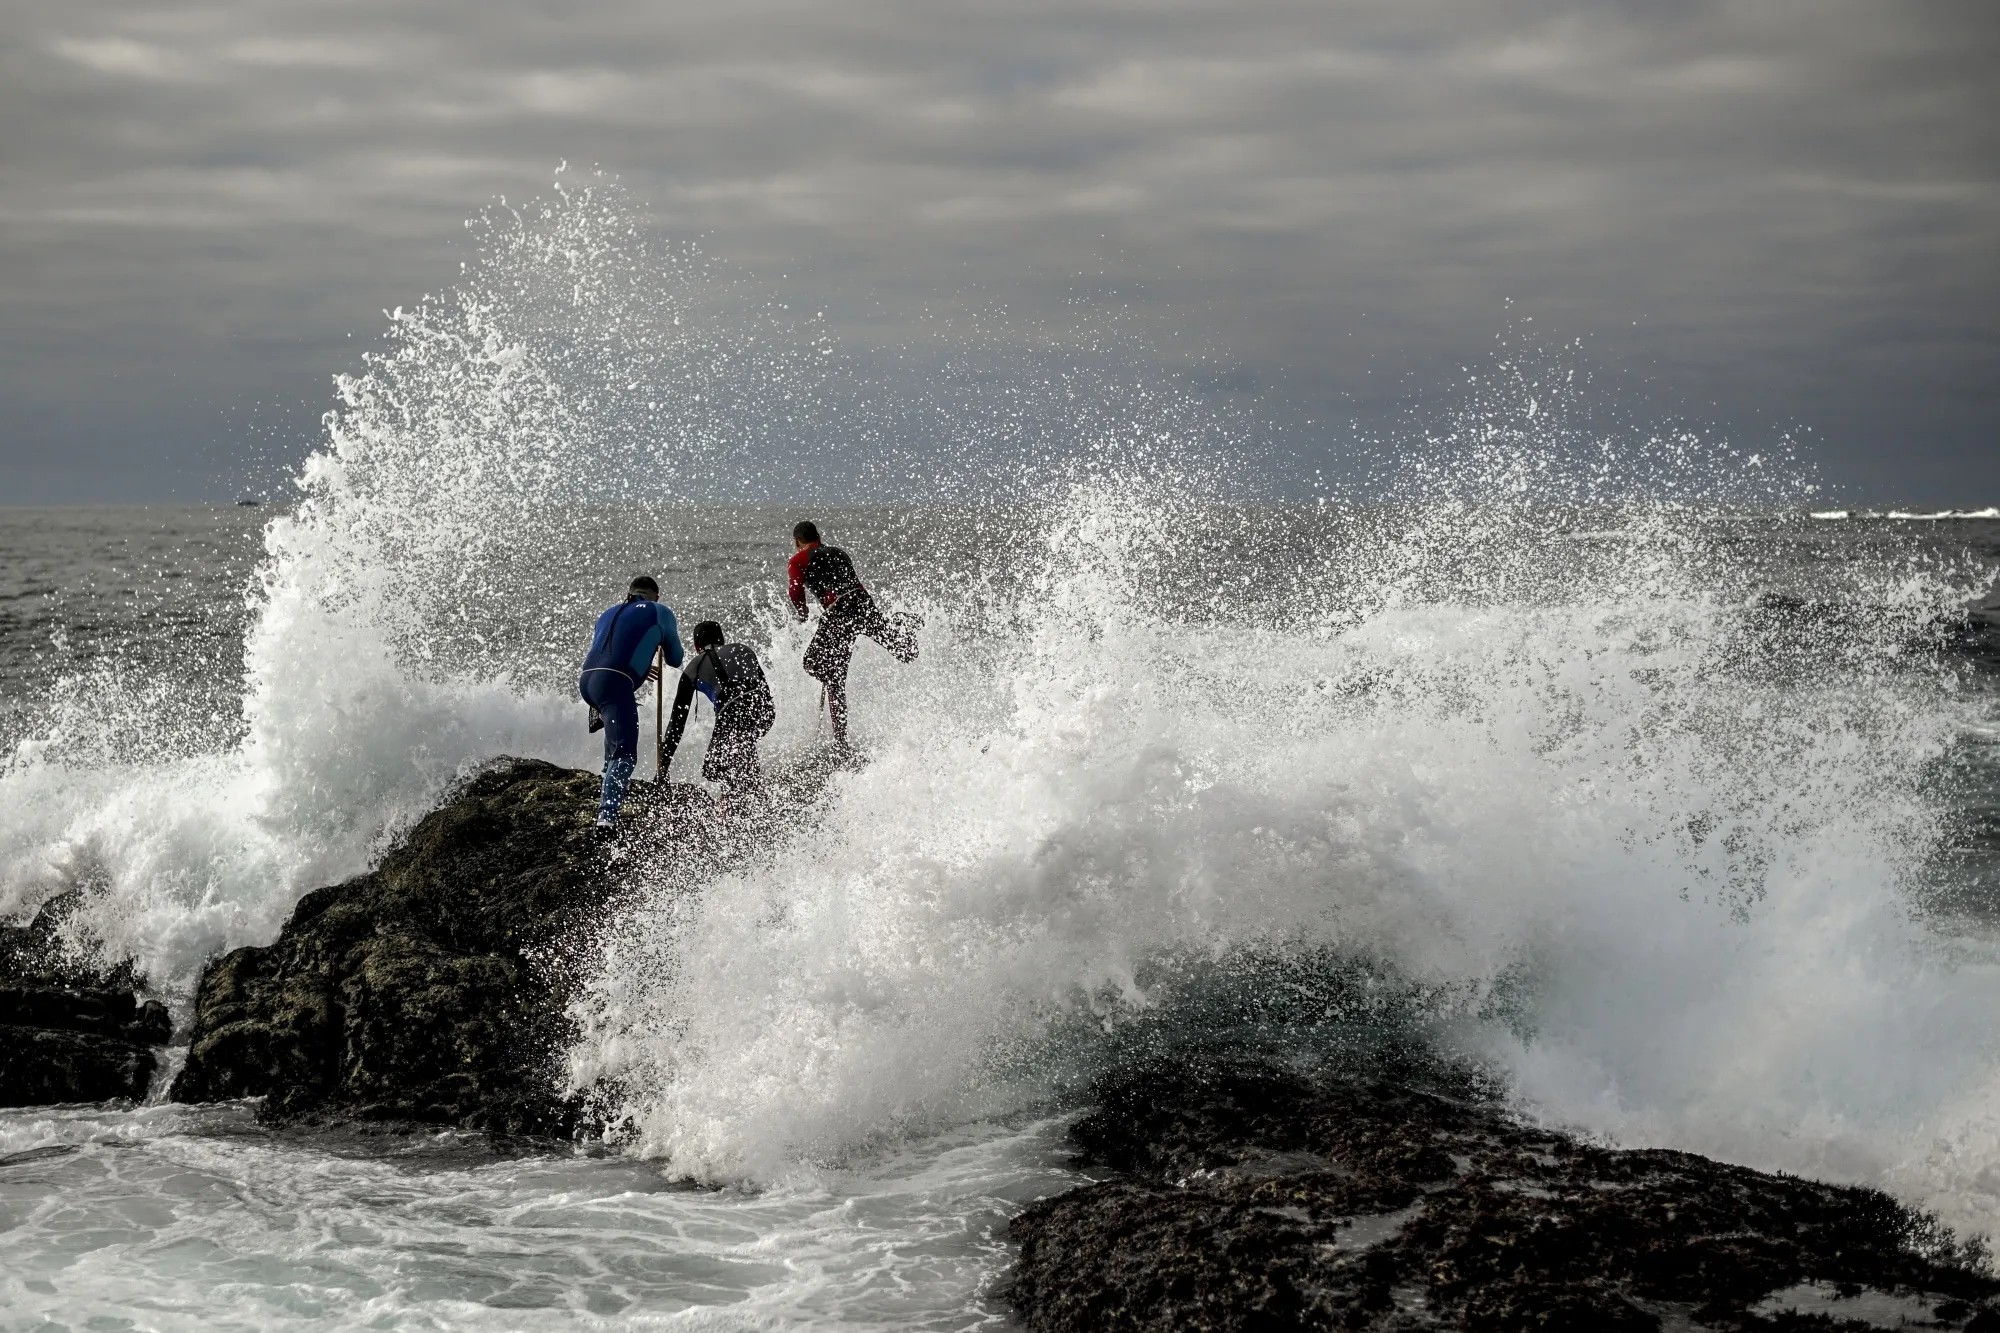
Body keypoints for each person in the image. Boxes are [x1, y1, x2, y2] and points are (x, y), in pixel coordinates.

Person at [786, 520, 918, 749]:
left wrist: (803, 613)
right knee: (900, 648)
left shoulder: (798, 560)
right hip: (862, 602)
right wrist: (873, 617)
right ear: (819, 535)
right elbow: (856, 584)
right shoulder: (839, 553)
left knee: (815, 666)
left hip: (840, 611)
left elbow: (795, 590)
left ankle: (842, 744)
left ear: (797, 542)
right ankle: (906, 630)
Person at [577, 575, 684, 827]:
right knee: (625, 754)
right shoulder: (659, 611)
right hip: (613, 683)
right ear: (656, 596)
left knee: (614, 734)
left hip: (588, 680)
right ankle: (607, 817)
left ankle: (605, 780)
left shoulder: (608, 613)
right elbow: (675, 658)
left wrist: (639, 665)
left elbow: (610, 651)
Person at [662, 620, 777, 788]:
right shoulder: (744, 649)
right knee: (742, 744)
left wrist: (663, 768)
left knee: (720, 765)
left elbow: (677, 724)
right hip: (764, 710)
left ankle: (733, 804)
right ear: (722, 639)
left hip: (732, 713)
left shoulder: (693, 667)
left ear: (696, 645)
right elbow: (764, 690)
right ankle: (754, 789)